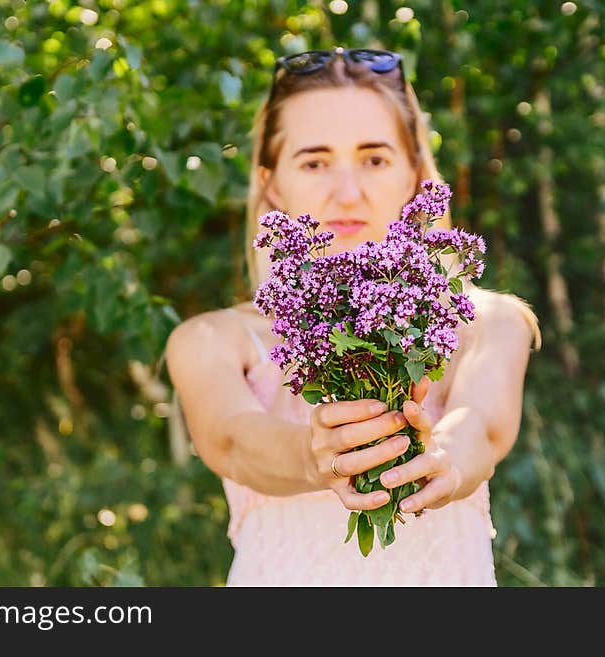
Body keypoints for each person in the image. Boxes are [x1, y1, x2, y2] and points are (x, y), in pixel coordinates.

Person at [165, 47, 542, 586]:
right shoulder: (213, 340)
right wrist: (316, 454)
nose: (347, 193)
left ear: (414, 172)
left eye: (374, 159)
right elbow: (232, 439)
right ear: (271, 181)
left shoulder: (485, 322)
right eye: (315, 162)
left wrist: (442, 459)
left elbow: (479, 429)